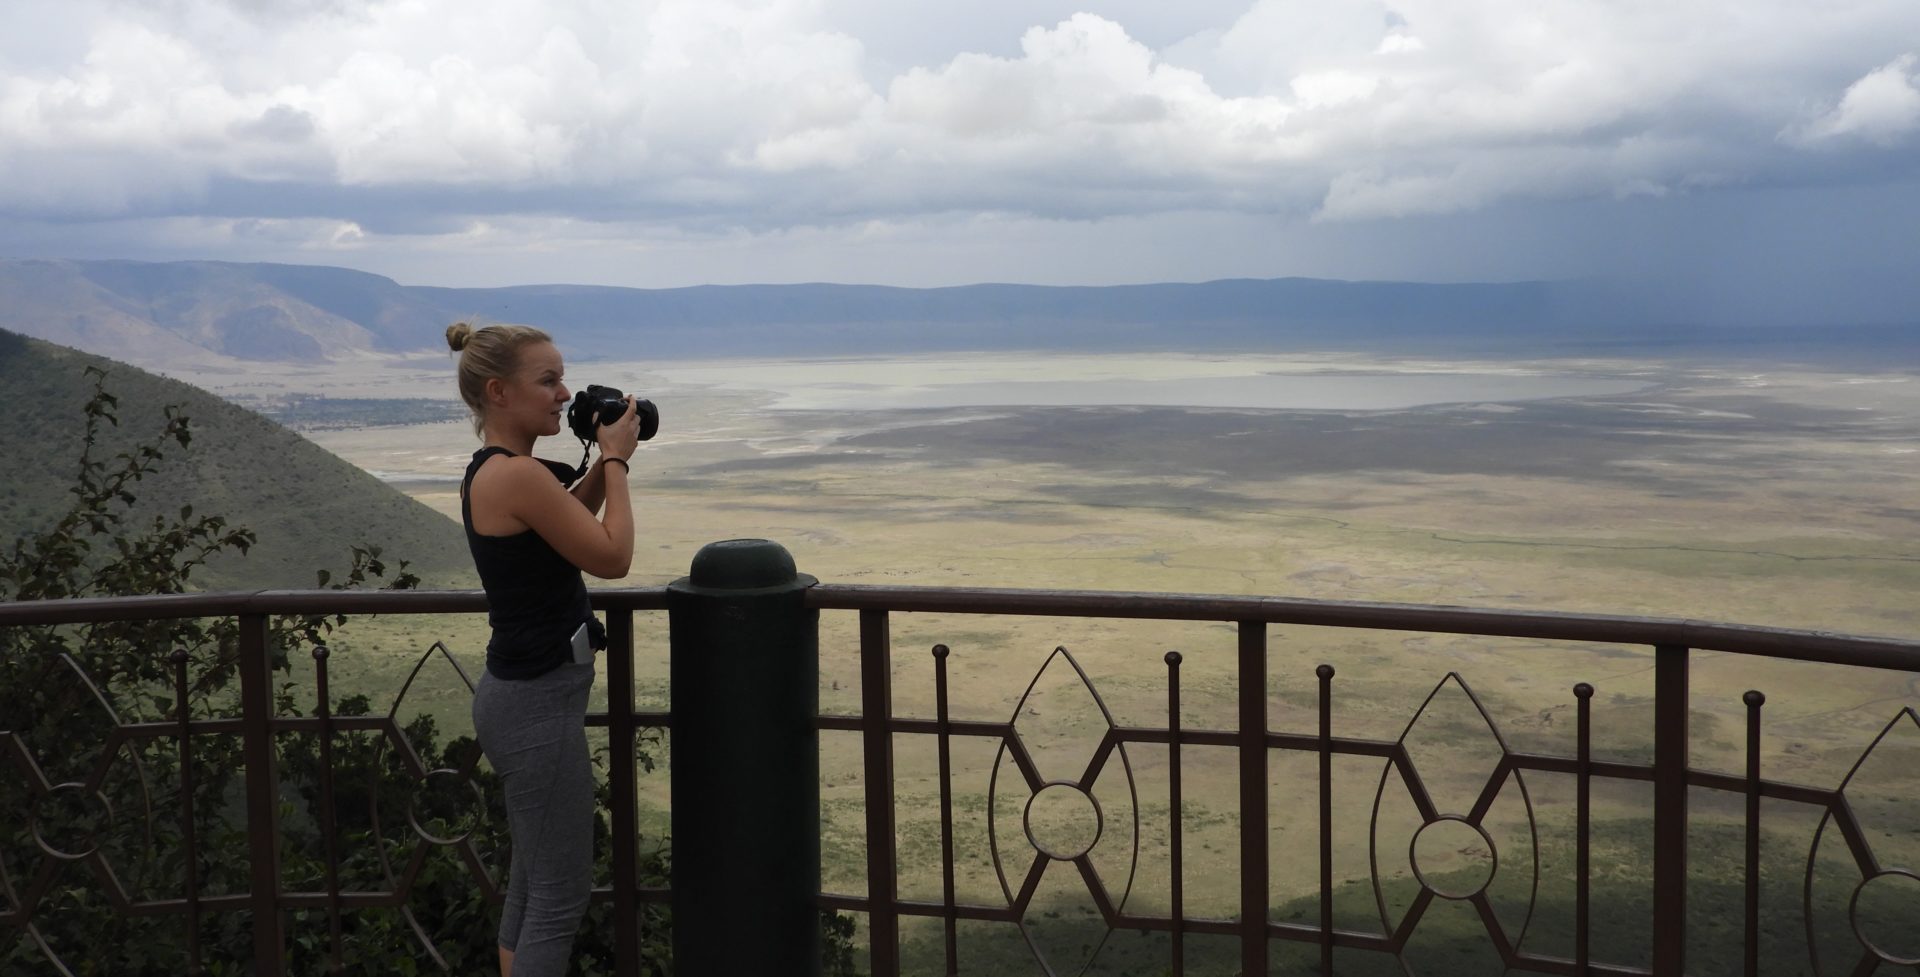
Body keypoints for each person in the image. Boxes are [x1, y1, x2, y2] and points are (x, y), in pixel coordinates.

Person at [446, 321, 641, 977]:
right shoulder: (519, 475)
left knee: (531, 888)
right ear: (499, 391)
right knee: (560, 898)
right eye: (548, 380)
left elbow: (561, 517)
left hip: (520, 699)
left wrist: (606, 465)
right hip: (536, 705)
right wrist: (613, 459)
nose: (564, 394)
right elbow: (612, 556)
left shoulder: (498, 472)